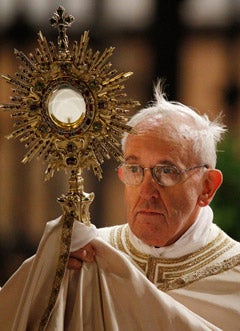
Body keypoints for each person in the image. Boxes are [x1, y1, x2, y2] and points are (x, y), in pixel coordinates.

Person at [0, 83, 240, 330]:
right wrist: (44, 281)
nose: (147, 191)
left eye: (167, 171)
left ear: (207, 187)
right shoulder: (85, 259)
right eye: (135, 169)